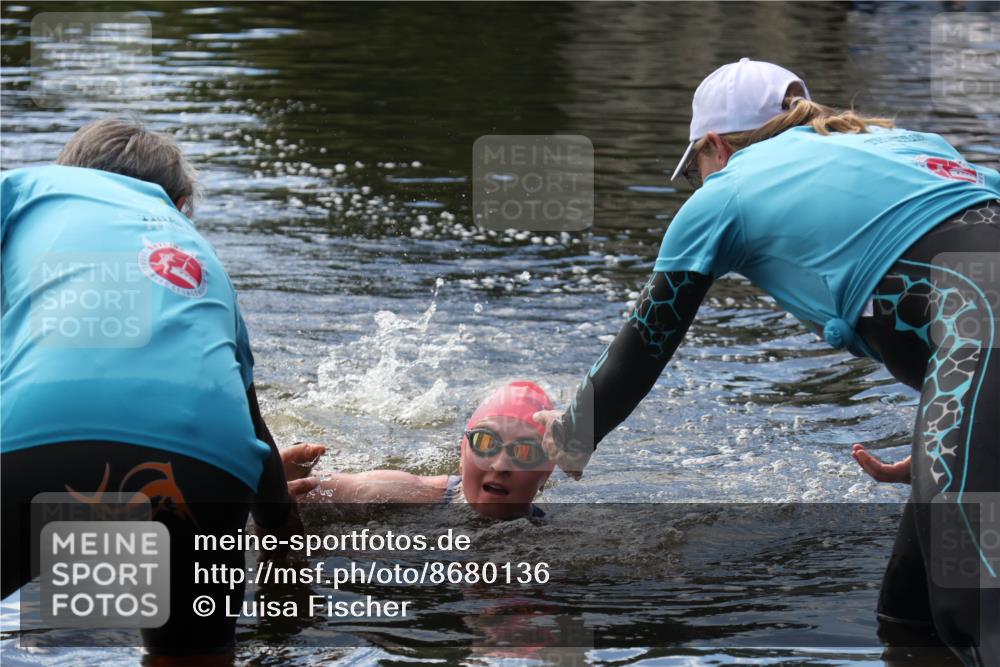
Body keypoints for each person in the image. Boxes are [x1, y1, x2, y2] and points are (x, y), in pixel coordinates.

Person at [531, 59, 1000, 665]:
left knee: (974, 614)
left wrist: (569, 435)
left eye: (697, 166)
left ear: (715, 145)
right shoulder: (907, 145)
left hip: (979, 343)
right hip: (975, 353)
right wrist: (963, 423)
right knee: (909, 614)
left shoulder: (728, 190)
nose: (700, 179)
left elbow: (645, 342)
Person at [0, 119, 315, 660]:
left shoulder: (27, 192)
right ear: (182, 202)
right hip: (207, 464)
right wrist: (279, 526)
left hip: (41, 436)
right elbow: (250, 421)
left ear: (66, 173)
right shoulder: (199, 256)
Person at [282, 381, 555, 520]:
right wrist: (287, 479)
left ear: (545, 475)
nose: (499, 464)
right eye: (485, 443)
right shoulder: (413, 493)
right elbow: (327, 489)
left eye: (525, 452)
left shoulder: (550, 536)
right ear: (462, 454)